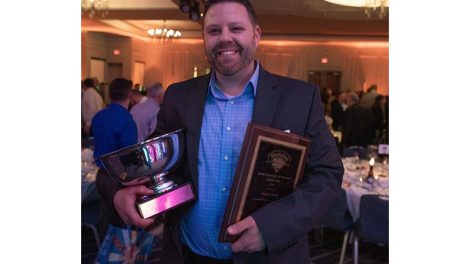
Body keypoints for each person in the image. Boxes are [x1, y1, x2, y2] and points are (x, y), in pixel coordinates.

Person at [96, 1, 343, 263]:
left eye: (236, 28)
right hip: (188, 255)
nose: (225, 38)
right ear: (204, 38)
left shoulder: (299, 99)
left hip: (270, 257)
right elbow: (147, 162)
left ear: (256, 35)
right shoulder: (179, 97)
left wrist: (271, 227)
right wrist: (116, 192)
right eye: (214, 31)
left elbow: (327, 174)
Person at [92, 77, 137, 230]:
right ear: (129, 95)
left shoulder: (98, 116)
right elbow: (129, 158)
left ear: (110, 95)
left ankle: (106, 252)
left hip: (100, 176)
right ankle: (118, 253)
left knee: (106, 221)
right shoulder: (126, 121)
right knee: (121, 225)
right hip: (118, 179)